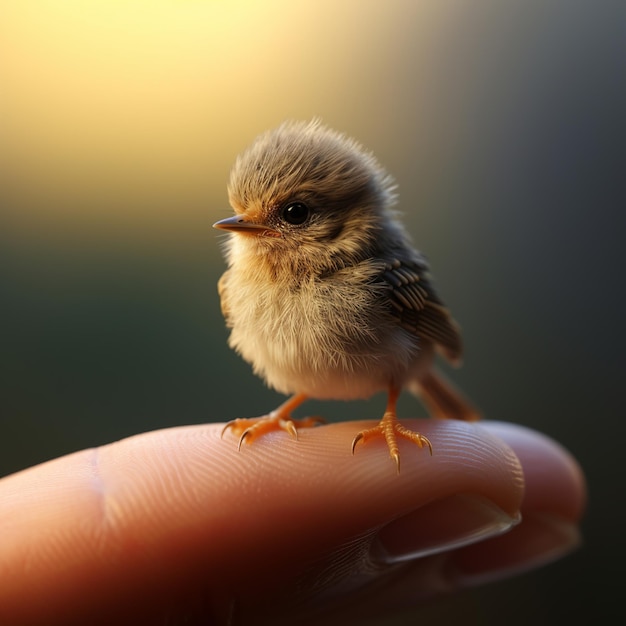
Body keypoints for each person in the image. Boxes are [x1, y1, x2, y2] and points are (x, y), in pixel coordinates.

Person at [0, 418, 586, 625]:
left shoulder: (364, 264)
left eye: (291, 215)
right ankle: (287, 410)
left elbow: (415, 330)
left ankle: (386, 410)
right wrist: (280, 417)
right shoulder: (242, 277)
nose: (249, 228)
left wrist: (392, 409)